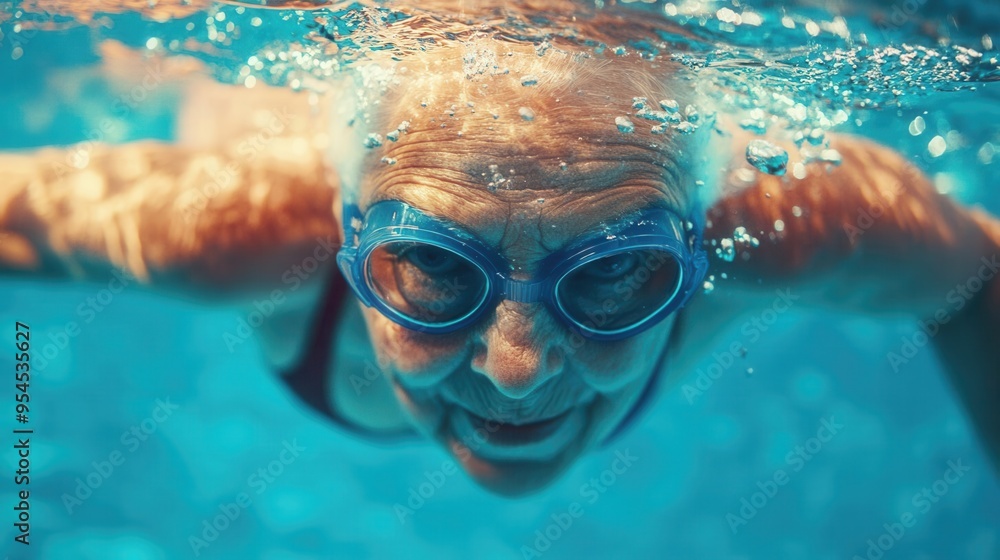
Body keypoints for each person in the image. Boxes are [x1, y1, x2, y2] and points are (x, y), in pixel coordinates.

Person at [1, 2, 998, 497]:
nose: (517, 374)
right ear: (344, 238)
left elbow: (978, 276)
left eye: (613, 269)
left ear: (703, 246)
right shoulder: (231, 232)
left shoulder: (787, 223)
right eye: (435, 264)